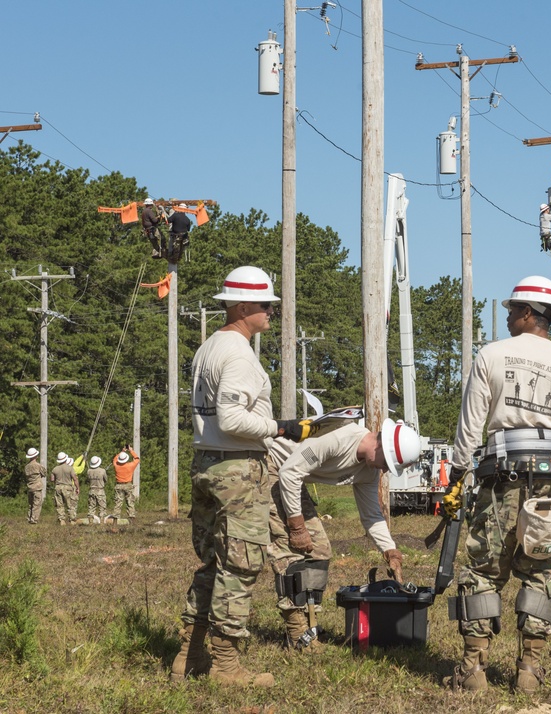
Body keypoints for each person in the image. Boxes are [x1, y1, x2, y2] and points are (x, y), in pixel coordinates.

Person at [442, 275, 551, 693]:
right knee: (541, 569)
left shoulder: (492, 355)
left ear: (528, 313)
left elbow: (470, 424)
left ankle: (473, 670)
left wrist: (457, 472)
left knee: (485, 569)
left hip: (500, 480)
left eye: (512, 311)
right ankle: (529, 670)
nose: (508, 317)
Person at [171, 265, 308, 688]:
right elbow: (232, 418)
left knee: (214, 561)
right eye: (266, 304)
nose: (271, 311)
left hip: (207, 464)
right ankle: (226, 667)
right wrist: (279, 427)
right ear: (243, 305)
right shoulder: (238, 353)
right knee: (242, 564)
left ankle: (189, 654)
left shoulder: (209, 347)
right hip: (236, 468)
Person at [266, 418, 421, 651]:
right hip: (272, 466)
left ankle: (309, 624)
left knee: (319, 549)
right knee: (290, 550)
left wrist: (390, 550)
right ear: (380, 446)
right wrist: (296, 526)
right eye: (388, 463)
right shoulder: (340, 438)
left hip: (292, 476)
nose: (386, 469)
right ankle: (297, 634)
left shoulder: (369, 469)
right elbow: (289, 472)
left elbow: (371, 516)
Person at [51, 451, 79, 525]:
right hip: (68, 488)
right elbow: (75, 479)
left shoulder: (54, 469)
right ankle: (72, 520)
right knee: (70, 504)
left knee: (59, 505)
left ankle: (62, 520)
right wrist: (77, 488)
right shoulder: (70, 468)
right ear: (66, 459)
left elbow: (52, 479)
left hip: (58, 487)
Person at [111, 446, 139, 520]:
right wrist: (131, 451)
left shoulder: (116, 465)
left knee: (118, 504)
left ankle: (114, 523)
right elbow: (137, 459)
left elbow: (114, 459)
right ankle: (132, 521)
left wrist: (122, 451)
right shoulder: (130, 465)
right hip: (128, 485)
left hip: (119, 485)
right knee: (130, 503)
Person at [24, 447, 46, 525]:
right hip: (37, 487)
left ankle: (29, 518)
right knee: (37, 504)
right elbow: (44, 473)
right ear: (36, 456)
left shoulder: (26, 467)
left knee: (31, 504)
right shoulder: (38, 466)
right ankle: (34, 519)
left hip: (30, 487)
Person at [86, 455, 108, 523]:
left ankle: (90, 521)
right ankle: (101, 522)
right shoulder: (102, 471)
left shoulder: (89, 471)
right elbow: (106, 479)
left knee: (91, 507)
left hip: (91, 490)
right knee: (102, 507)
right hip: (100, 491)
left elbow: (88, 480)